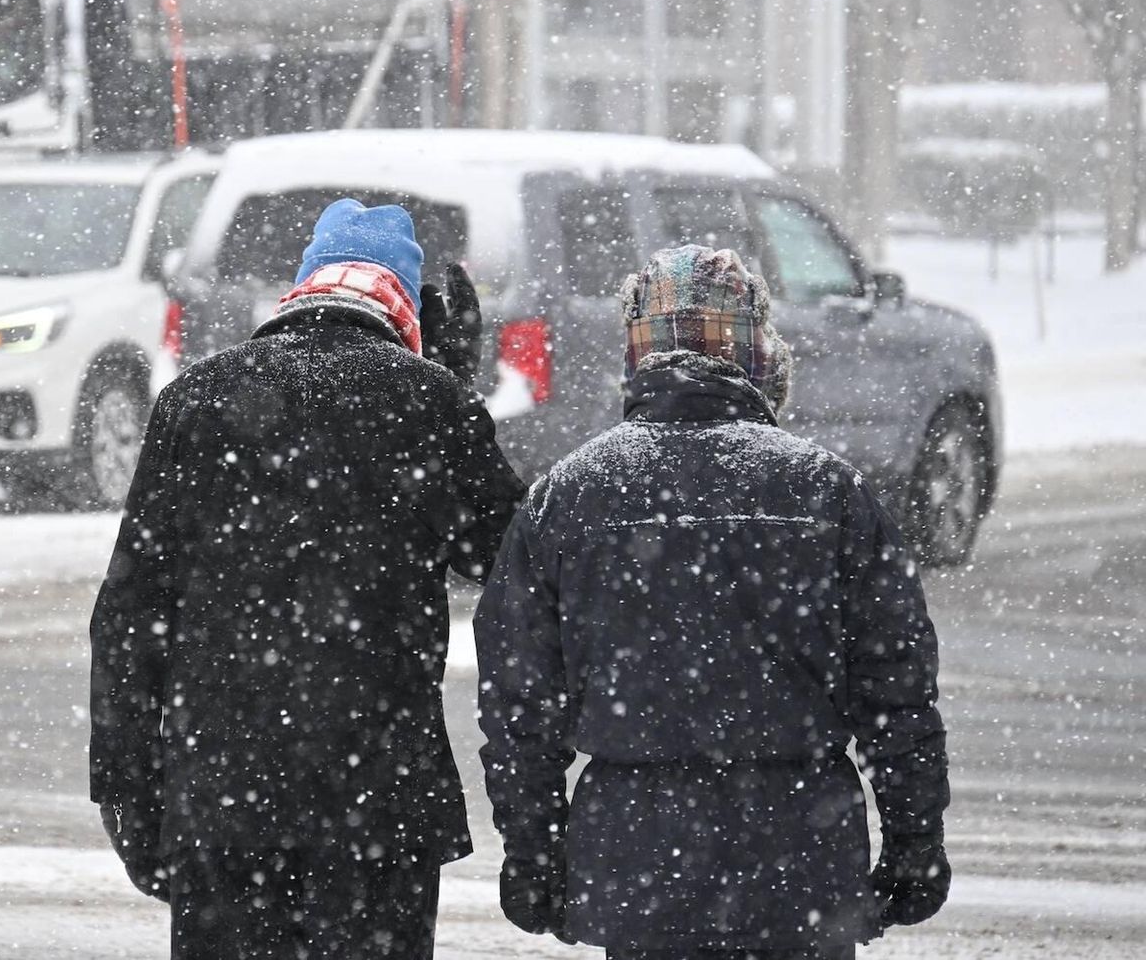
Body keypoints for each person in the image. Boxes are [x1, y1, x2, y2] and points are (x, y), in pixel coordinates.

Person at [475, 244, 950, 960]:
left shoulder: (569, 496)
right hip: (800, 857)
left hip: (639, 861)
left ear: (636, 353)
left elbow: (519, 701)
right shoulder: (827, 492)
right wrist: (915, 837)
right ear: (759, 352)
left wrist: (534, 849)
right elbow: (897, 688)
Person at [91, 198, 526, 959]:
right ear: (407, 304)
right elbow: (502, 556)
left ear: (304, 286)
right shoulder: (427, 403)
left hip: (224, 800)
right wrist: (452, 381)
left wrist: (128, 787)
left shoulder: (196, 400)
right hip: (377, 807)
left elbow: (129, 617)